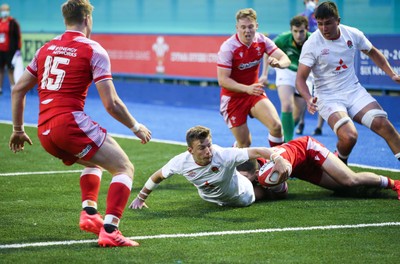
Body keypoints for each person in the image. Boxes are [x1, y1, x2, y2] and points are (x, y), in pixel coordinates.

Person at [8, 0, 152, 247]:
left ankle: (89, 213)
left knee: (96, 160)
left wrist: (19, 129)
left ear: (66, 20)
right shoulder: (93, 50)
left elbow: (18, 90)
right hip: (69, 123)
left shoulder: (46, 48)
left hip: (44, 130)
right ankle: (110, 230)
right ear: (87, 19)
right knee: (124, 167)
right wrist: (135, 126)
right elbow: (112, 103)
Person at [296, 1, 400, 165]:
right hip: (328, 97)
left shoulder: (352, 34)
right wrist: (308, 98)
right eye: (320, 24)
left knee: (384, 125)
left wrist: (392, 74)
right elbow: (300, 79)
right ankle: (341, 163)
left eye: (328, 23)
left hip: (353, 91)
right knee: (349, 136)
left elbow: (372, 52)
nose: (324, 28)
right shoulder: (311, 44)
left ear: (338, 20)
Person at [129, 125, 290, 209]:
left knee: (268, 191)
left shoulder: (222, 155)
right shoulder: (180, 162)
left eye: (209, 146)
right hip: (211, 198)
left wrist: (278, 158)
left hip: (241, 195)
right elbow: (157, 176)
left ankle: (273, 184)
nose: (208, 151)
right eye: (202, 148)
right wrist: (140, 198)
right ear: (190, 150)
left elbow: (257, 150)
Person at [217, 8, 291, 148]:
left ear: (256, 26)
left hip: (254, 92)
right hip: (233, 99)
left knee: (276, 126)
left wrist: (279, 64)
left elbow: (284, 58)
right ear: (237, 27)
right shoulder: (228, 48)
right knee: (245, 144)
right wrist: (247, 88)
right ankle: (234, 157)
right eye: (243, 27)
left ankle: (278, 163)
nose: (247, 31)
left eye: (250, 27)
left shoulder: (262, 41)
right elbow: (223, 80)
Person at [245, 136, 400, 199]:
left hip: (308, 149)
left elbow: (283, 192)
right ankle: (334, 162)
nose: (241, 180)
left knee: (350, 180)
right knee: (341, 188)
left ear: (256, 172)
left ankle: (395, 184)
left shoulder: (270, 170)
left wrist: (275, 188)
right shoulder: (245, 163)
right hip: (301, 168)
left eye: (245, 177)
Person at [263, 15, 313, 142]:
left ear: (307, 29)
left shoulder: (314, 40)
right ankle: (287, 145)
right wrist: (264, 74)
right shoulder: (283, 39)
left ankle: (284, 137)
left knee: (297, 113)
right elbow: (266, 51)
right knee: (287, 105)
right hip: (285, 70)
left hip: (305, 74)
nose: (298, 35)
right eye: (295, 31)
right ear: (291, 30)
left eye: (301, 31)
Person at [296, 0, 325, 136]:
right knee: (303, 91)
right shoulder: (302, 17)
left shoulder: (323, 16)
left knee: (322, 92)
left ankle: (319, 127)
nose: (310, 2)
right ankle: (301, 123)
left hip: (322, 59)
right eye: (307, 1)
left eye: (312, 0)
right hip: (306, 59)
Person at [0, 3, 21, 94]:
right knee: (0, 70)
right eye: (2, 10)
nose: (4, 11)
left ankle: (13, 88)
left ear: (8, 11)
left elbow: (18, 36)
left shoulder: (13, 22)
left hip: (9, 51)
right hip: (0, 50)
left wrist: (18, 49)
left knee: (10, 70)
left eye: (6, 9)